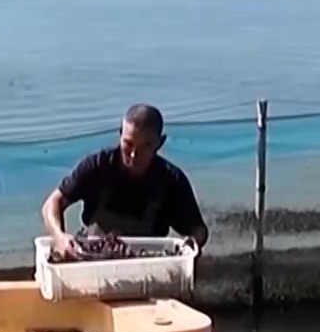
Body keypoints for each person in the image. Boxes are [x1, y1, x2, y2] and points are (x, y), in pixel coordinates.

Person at [42, 104, 209, 259]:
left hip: (146, 263)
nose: (133, 156)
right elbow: (53, 203)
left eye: (145, 146)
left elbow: (198, 229)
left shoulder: (172, 180)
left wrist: (193, 244)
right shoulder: (98, 166)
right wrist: (60, 236)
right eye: (128, 144)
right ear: (120, 134)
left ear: (159, 143)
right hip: (93, 258)